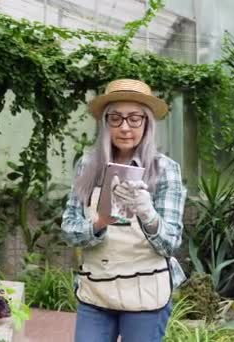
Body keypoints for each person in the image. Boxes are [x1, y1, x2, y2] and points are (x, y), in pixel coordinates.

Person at [61, 79, 187, 342]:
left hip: (146, 292)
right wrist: (99, 223)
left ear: (147, 123)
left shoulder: (165, 170)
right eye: (116, 118)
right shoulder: (87, 164)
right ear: (105, 123)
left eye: (134, 118)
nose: (125, 127)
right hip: (97, 288)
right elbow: (69, 230)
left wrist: (147, 214)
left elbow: (170, 244)